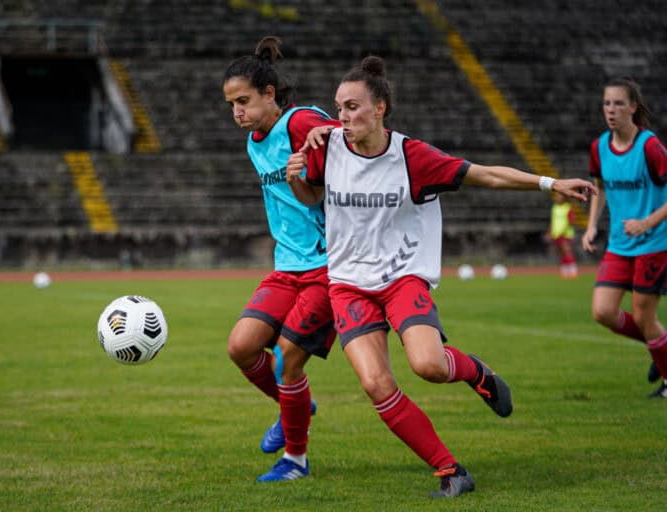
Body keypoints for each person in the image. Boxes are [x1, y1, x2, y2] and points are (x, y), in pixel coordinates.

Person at [285, 56, 596, 498]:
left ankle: (476, 373)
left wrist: (549, 184)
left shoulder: (413, 156)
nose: (342, 116)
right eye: (338, 107)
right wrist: (298, 180)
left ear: (380, 109)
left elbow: (485, 175)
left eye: (353, 106)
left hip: (402, 279)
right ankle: (451, 472)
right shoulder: (327, 146)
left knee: (428, 365)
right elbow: (313, 197)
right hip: (349, 284)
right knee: (376, 385)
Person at [222, 36, 341, 482]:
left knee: (287, 358)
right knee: (241, 346)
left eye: (244, 100)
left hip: (327, 267)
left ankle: (295, 461)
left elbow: (345, 127)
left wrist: (323, 129)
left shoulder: (298, 121)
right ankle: (296, 405)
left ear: (269, 95)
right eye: (231, 103)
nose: (237, 110)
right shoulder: (255, 140)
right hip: (286, 266)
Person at [582, 77, 667, 398]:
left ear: (633, 107)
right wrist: (592, 226)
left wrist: (647, 223)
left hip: (654, 243)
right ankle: (661, 347)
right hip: (619, 244)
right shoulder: (599, 146)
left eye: (619, 103)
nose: (611, 110)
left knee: (645, 316)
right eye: (607, 103)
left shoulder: (650, 146)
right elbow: (600, 187)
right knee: (602, 311)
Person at [545, 191, 579, 278]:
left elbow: (571, 221)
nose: (557, 198)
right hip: (556, 234)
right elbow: (552, 222)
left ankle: (573, 270)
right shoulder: (554, 208)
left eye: (558, 196)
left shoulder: (567, 207)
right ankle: (564, 271)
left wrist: (564, 230)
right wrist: (549, 232)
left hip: (565, 234)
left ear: (563, 197)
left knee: (567, 252)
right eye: (556, 196)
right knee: (561, 253)